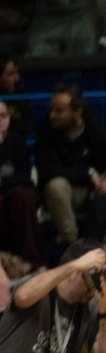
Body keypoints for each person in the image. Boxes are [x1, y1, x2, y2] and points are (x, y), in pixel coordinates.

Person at [36, 84, 106, 246]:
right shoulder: (46, 131)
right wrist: (87, 173)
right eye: (51, 109)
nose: (52, 115)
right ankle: (71, 243)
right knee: (56, 185)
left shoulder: (98, 132)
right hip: (64, 193)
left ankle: (98, 245)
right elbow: (46, 171)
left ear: (77, 112)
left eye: (59, 111)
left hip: (94, 192)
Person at [0, 101, 44, 271]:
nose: (0, 120)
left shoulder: (16, 141)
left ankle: (33, 262)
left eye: (3, 116)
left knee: (23, 198)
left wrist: (3, 182)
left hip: (15, 191)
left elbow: (25, 176)